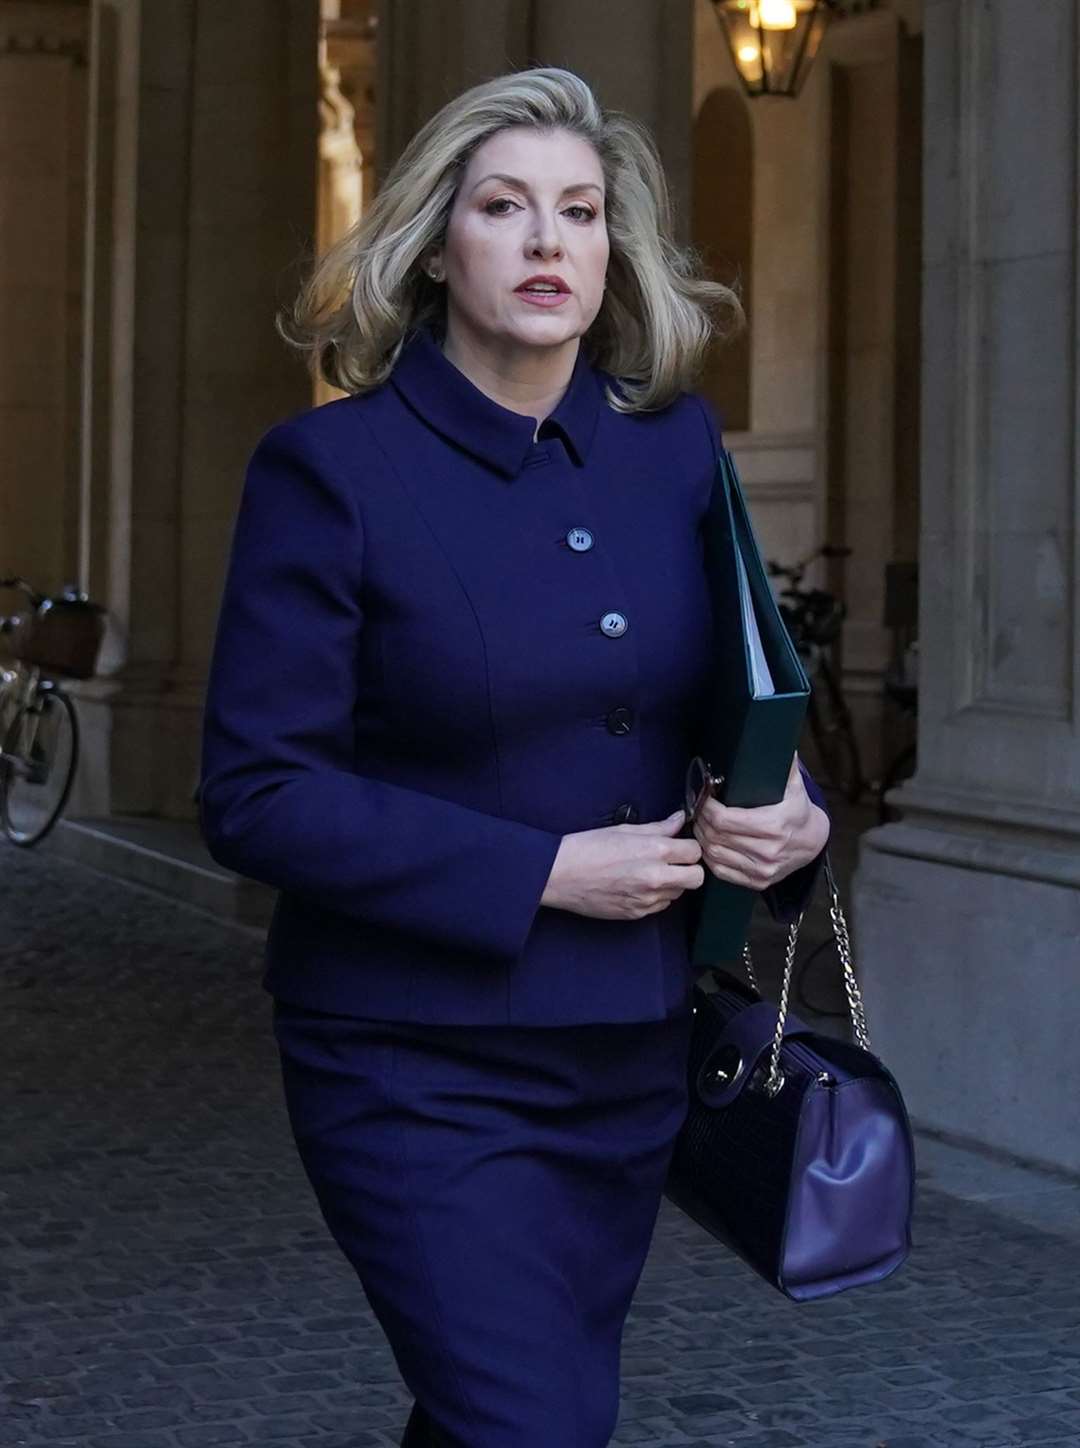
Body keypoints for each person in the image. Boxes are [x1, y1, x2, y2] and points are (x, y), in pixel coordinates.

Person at [198, 65, 830, 1448]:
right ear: (435, 240)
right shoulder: (331, 472)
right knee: (534, 1425)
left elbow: (744, 705)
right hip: (411, 1062)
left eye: (582, 212)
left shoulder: (675, 455)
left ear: (615, 249)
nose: (550, 243)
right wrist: (538, 871)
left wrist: (795, 819)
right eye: (505, 207)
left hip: (627, 1055)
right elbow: (255, 794)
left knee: (495, 1420)